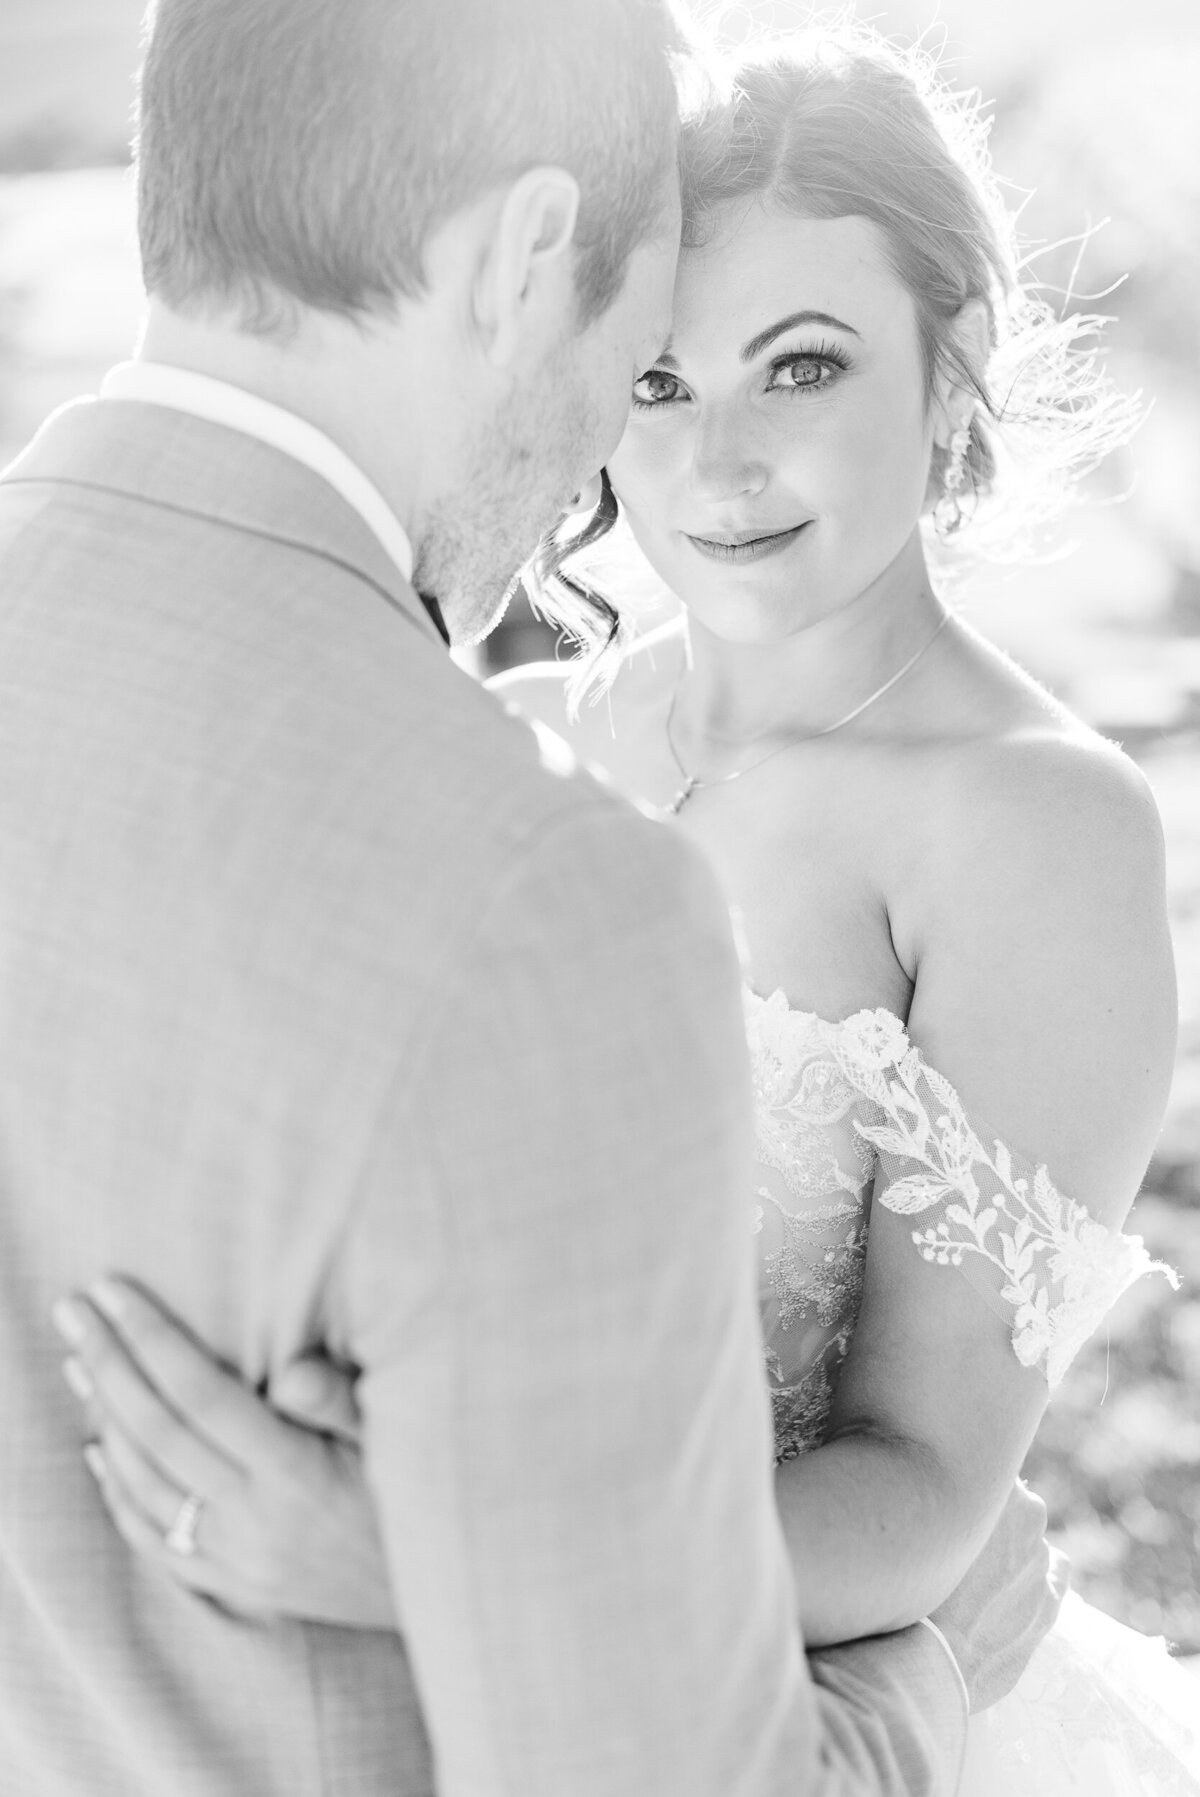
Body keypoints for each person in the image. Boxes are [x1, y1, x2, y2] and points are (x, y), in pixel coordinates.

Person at [57, 20, 1200, 1797]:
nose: (717, 465)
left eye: (804, 366)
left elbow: (930, 1492)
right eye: (659, 383)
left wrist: (400, 1550)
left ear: (952, 350)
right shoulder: (504, 740)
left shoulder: (1041, 830)